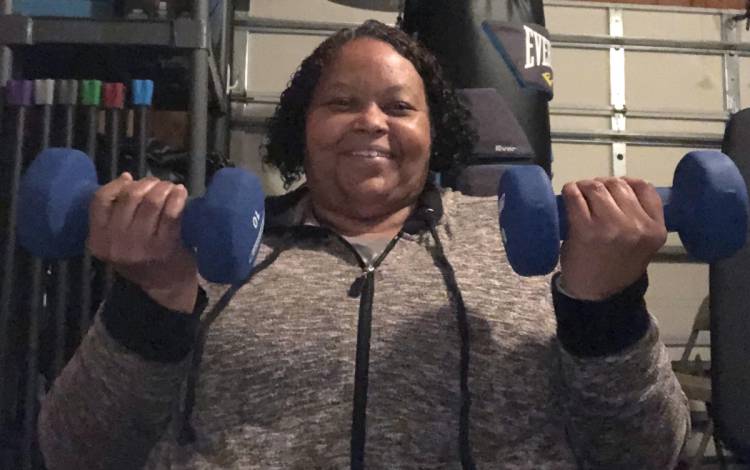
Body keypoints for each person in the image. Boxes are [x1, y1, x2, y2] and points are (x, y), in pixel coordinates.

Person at [37, 20, 689, 469]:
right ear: (303, 126)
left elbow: (646, 452)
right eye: (341, 102)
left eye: (400, 108)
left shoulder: (529, 251)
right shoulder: (204, 253)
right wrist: (149, 304)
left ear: (435, 134)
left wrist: (607, 310)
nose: (370, 121)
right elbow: (76, 452)